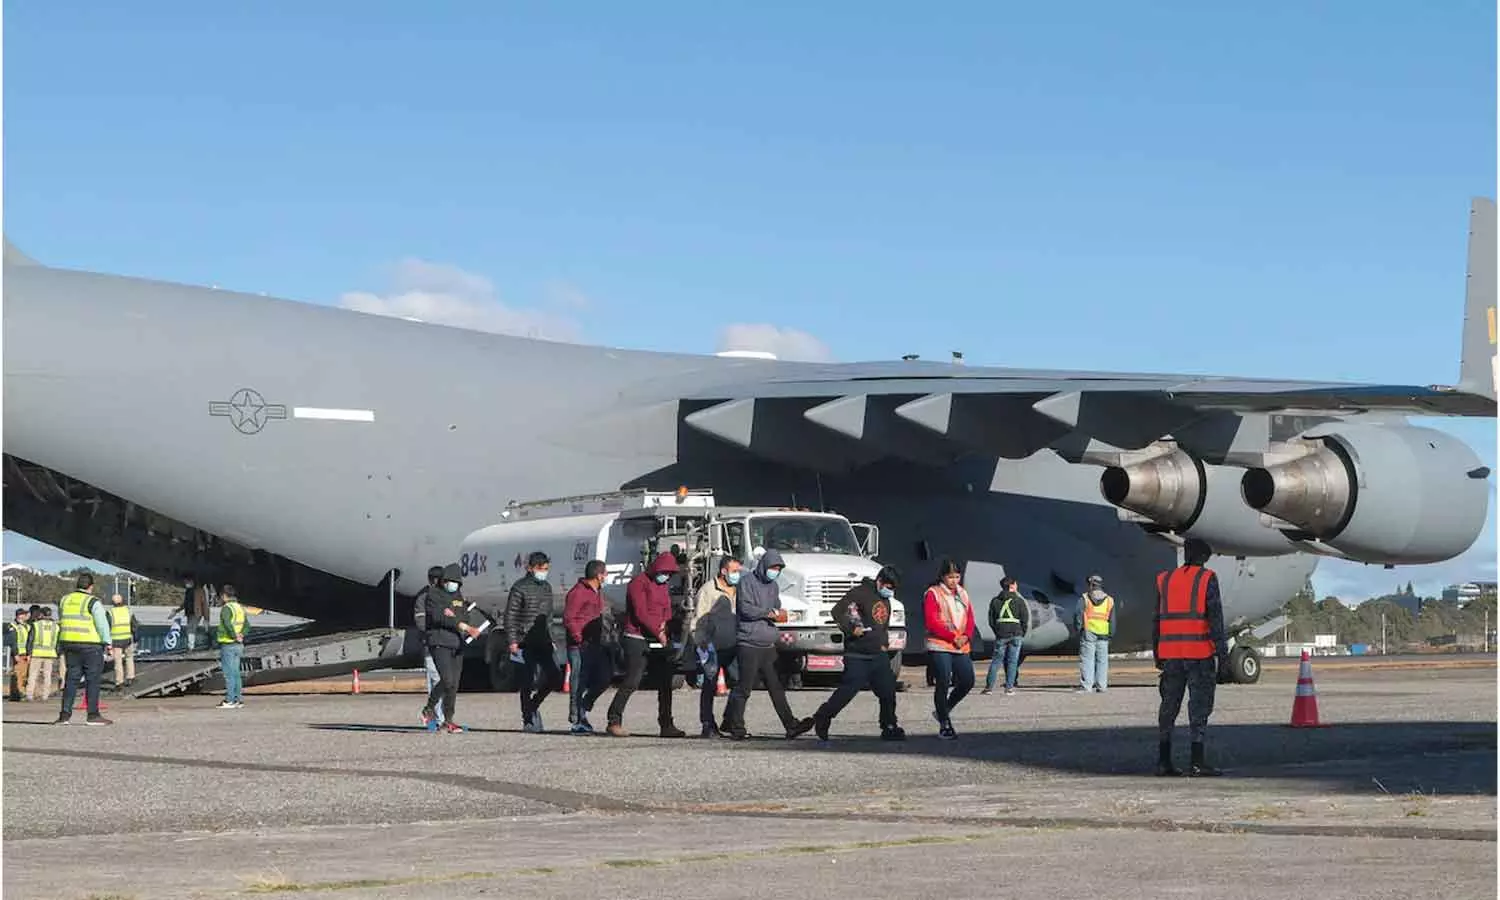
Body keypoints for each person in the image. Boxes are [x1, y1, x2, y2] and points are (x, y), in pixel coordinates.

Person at [720, 549, 815, 742]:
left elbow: (776, 606)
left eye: (778, 569)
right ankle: (736, 726)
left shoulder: (773, 586)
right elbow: (746, 609)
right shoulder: (746, 582)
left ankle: (791, 725)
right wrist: (769, 613)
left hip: (767, 643)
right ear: (764, 566)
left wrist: (780, 613)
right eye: (772, 567)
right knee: (744, 687)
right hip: (749, 642)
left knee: (776, 687)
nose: (775, 572)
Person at [1154, 538, 1230, 777]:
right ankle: (1197, 762)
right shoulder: (1207, 578)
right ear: (1204, 557)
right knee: (1199, 709)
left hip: (1171, 655)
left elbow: (1156, 619)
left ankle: (1163, 760)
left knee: (1168, 708)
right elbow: (1215, 619)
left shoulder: (1165, 580)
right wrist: (1223, 656)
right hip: (1199, 654)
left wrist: (1157, 652)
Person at [811, 565, 905, 743]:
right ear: (879, 582)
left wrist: (884, 644)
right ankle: (824, 716)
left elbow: (882, 624)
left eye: (893, 588)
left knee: (887, 691)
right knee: (848, 690)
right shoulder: (860, 593)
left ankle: (889, 725)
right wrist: (851, 629)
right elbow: (837, 611)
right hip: (858, 654)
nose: (890, 591)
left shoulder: (884, 599)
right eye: (888, 587)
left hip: (878, 654)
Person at [605, 552, 687, 738]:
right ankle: (614, 720)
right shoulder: (638, 583)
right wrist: (657, 631)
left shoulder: (663, 584)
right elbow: (641, 612)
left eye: (669, 573)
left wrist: (665, 625)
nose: (665, 576)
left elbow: (666, 608)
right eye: (664, 572)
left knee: (665, 682)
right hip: (636, 637)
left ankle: (666, 724)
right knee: (633, 680)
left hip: (658, 639)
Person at [422, 563, 480, 733]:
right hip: (439, 642)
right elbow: (439, 617)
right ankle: (429, 708)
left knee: (453, 685)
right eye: (449, 581)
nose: (452, 584)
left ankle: (449, 720)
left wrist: (456, 618)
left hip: (456, 643)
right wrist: (460, 624)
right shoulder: (433, 595)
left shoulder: (458, 596)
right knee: (446, 679)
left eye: (455, 582)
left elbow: (463, 615)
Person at [506, 551, 560, 733]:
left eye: (546, 569)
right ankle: (528, 718)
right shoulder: (519, 588)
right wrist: (512, 640)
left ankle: (533, 705)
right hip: (523, 641)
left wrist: (551, 638)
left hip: (543, 640)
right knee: (527, 681)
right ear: (530, 568)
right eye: (540, 569)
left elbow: (549, 617)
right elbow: (510, 616)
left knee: (554, 677)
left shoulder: (546, 587)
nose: (543, 572)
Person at [923, 558, 977, 740]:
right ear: (943, 577)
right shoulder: (933, 593)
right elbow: (931, 621)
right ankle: (945, 723)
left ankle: (944, 709)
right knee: (943, 681)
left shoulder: (963, 593)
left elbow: (970, 618)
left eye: (957, 576)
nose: (954, 580)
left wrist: (966, 636)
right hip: (941, 644)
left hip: (961, 645)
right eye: (950, 577)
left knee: (968, 680)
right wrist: (953, 637)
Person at [691, 555, 742, 737]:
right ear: (723, 571)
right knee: (710, 684)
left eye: (739, 571)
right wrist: (700, 642)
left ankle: (729, 720)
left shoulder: (738, 589)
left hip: (733, 644)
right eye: (734, 571)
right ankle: (707, 723)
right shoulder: (708, 590)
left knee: (739, 682)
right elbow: (699, 618)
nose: (737, 575)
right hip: (712, 645)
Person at [54, 573, 113, 725]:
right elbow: (102, 624)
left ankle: (64, 715)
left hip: (69, 643)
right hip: (90, 645)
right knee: (92, 680)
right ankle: (93, 715)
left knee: (71, 679)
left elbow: (61, 619)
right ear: (91, 587)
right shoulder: (93, 601)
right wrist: (107, 642)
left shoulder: (65, 600)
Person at [563, 559, 612, 735]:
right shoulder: (577, 593)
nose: (606, 577)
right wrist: (579, 638)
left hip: (594, 644)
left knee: (605, 677)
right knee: (578, 682)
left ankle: (584, 706)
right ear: (599, 575)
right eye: (605, 573)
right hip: (579, 646)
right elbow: (570, 618)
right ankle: (577, 721)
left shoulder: (597, 592)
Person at [983, 576, 1030, 695]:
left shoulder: (995, 601)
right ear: (1012, 586)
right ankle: (1009, 688)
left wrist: (997, 631)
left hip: (1001, 634)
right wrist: (1022, 632)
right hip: (1016, 633)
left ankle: (989, 688)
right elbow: (1025, 618)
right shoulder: (1019, 601)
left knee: (996, 661)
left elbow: (991, 620)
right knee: (1012, 661)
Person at [412, 565, 447, 724]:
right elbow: (421, 621)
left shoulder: (447, 595)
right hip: (431, 644)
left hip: (446, 644)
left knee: (446, 680)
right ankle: (437, 718)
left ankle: (444, 717)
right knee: (435, 679)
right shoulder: (423, 597)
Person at [1074, 574, 1116, 693]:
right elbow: (1112, 619)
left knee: (1087, 659)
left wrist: (1079, 629)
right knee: (1102, 661)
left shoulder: (1084, 598)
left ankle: (1087, 686)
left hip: (1088, 632)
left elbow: (1078, 615)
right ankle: (1102, 686)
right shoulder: (1109, 600)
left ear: (1091, 585)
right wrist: (1111, 633)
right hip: (1103, 633)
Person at [216, 585, 250, 709]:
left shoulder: (226, 608)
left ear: (224, 596)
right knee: (236, 673)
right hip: (239, 645)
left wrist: (234, 635)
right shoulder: (239, 607)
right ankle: (238, 700)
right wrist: (241, 635)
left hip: (228, 644)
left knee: (228, 674)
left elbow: (227, 624)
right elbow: (247, 625)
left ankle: (229, 700)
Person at [26, 607, 59, 701]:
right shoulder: (56, 626)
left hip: (37, 653)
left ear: (41, 614)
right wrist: (57, 652)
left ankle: (29, 695)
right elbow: (57, 642)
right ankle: (45, 696)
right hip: (50, 654)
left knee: (33, 674)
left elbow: (30, 639)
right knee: (47, 675)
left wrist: (29, 653)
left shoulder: (36, 625)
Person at [108, 593, 139, 689]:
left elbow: (107, 627)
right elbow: (134, 625)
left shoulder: (110, 612)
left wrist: (107, 642)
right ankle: (131, 677)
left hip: (116, 640)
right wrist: (135, 637)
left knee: (118, 662)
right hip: (127, 638)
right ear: (122, 601)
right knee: (129, 657)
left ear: (112, 602)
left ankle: (119, 682)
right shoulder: (128, 611)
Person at [8, 607, 31, 702]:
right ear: (20, 616)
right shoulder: (13, 626)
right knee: (18, 675)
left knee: (24, 675)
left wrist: (29, 653)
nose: (26, 616)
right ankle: (19, 693)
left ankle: (16, 694)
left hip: (25, 654)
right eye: (25, 614)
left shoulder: (26, 626)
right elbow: (13, 641)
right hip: (18, 654)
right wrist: (15, 654)